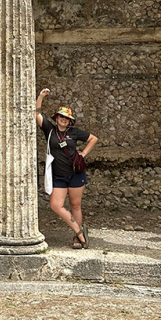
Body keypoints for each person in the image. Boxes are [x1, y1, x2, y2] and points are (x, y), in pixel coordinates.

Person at [36, 88, 98, 249]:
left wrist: (83, 153)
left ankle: (77, 239)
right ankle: (79, 231)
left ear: (70, 121)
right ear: (56, 117)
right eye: (61, 116)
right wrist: (41, 96)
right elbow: (36, 114)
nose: (63, 119)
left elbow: (93, 139)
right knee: (56, 205)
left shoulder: (75, 132)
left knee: (75, 205)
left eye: (67, 118)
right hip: (58, 175)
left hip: (76, 173)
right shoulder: (50, 130)